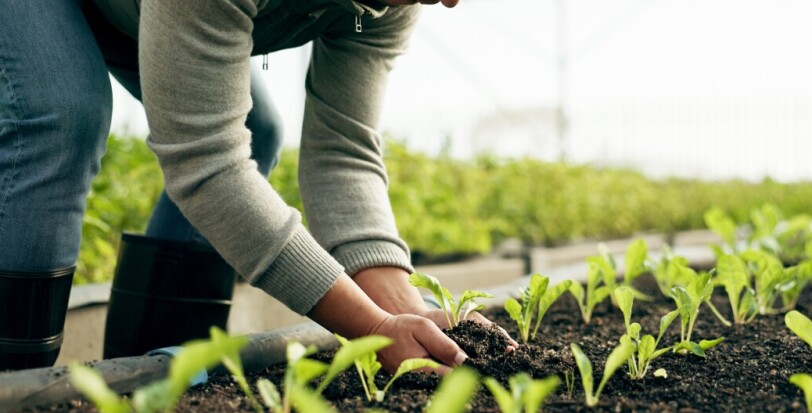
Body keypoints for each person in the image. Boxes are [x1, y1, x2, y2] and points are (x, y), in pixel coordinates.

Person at [0, 0, 509, 372]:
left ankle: (149, 378)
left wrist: (406, 313)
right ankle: (15, 394)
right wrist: (371, 329)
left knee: (258, 129)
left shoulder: (389, 5)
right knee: (59, 113)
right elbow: (208, 164)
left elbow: (343, 151)